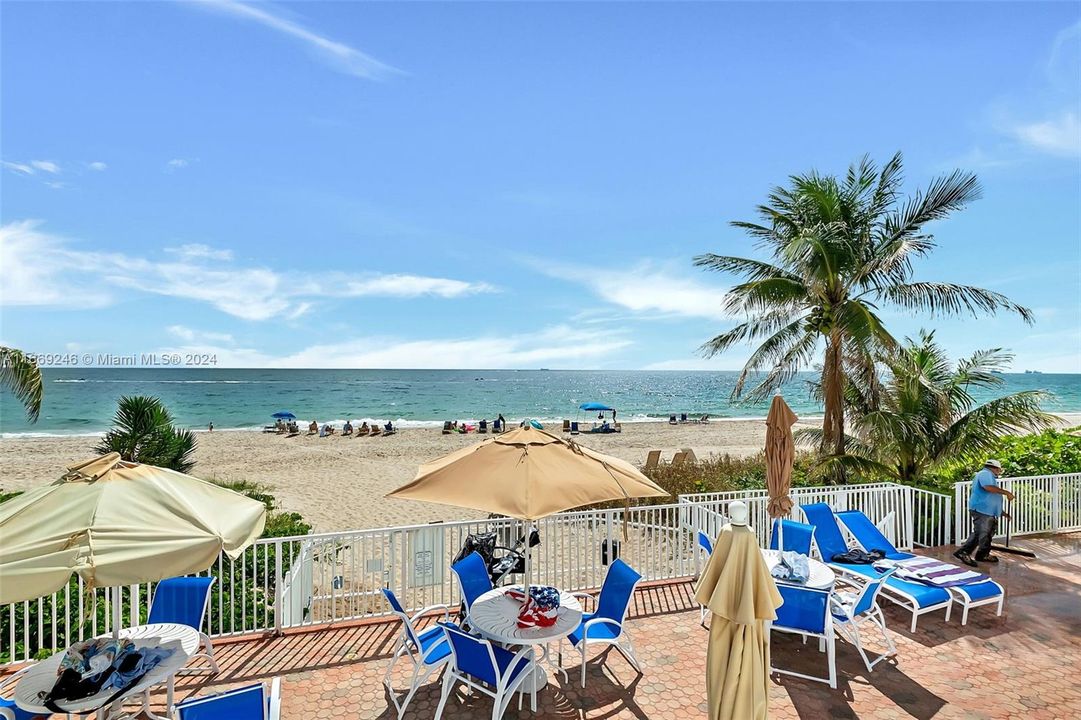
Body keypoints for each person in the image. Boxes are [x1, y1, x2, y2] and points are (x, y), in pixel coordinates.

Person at [954, 459, 1015, 567]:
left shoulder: (989, 475)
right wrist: (1006, 493)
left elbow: (991, 497)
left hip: (988, 511)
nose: (999, 472)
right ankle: (963, 552)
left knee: (987, 534)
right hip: (981, 510)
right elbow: (988, 488)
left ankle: (983, 554)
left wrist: (1002, 513)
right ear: (995, 468)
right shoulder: (985, 473)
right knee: (980, 533)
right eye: (999, 470)